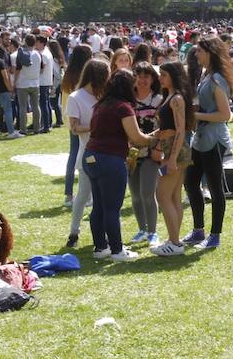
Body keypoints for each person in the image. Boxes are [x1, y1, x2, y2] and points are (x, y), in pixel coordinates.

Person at [83, 70, 159, 262]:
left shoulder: (101, 105)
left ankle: (101, 247)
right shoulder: (123, 107)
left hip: (91, 157)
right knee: (112, 208)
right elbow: (137, 137)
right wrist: (155, 137)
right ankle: (117, 250)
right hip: (110, 159)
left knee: (99, 206)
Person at [183, 38, 233, 251]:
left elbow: (225, 114)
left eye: (199, 52)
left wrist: (194, 114)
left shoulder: (216, 79)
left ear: (209, 53)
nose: (196, 55)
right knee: (190, 182)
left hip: (214, 140)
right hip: (201, 138)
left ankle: (215, 235)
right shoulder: (208, 76)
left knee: (215, 189)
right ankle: (198, 230)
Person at [150, 62, 195, 257]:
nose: (160, 78)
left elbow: (180, 130)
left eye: (164, 75)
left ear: (173, 76)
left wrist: (172, 158)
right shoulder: (170, 96)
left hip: (175, 152)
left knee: (162, 196)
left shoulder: (176, 99)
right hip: (172, 150)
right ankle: (173, 240)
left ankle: (175, 242)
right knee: (174, 197)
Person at [65, 58, 109, 249]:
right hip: (88, 153)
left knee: (106, 198)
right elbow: (74, 128)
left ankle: (106, 233)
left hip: (109, 153)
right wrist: (96, 126)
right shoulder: (76, 97)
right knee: (83, 195)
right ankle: (74, 232)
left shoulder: (106, 95)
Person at [128, 62, 163, 248]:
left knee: (147, 193)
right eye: (139, 76)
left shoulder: (158, 100)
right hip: (131, 153)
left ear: (152, 79)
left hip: (150, 152)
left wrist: (158, 149)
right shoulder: (128, 100)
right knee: (135, 194)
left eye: (146, 77)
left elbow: (162, 128)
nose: (142, 81)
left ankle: (152, 232)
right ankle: (142, 229)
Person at [61, 44, 93, 207]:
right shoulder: (86, 76)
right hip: (84, 121)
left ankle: (68, 194)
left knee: (73, 156)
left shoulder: (68, 74)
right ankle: (88, 195)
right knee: (87, 156)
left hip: (71, 120)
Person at [14, 34, 42, 135]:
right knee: (35, 106)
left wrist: (14, 82)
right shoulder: (38, 54)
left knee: (22, 107)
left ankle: (23, 129)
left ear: (25, 42)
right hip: (35, 82)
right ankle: (37, 128)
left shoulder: (22, 53)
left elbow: (18, 69)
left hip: (23, 83)